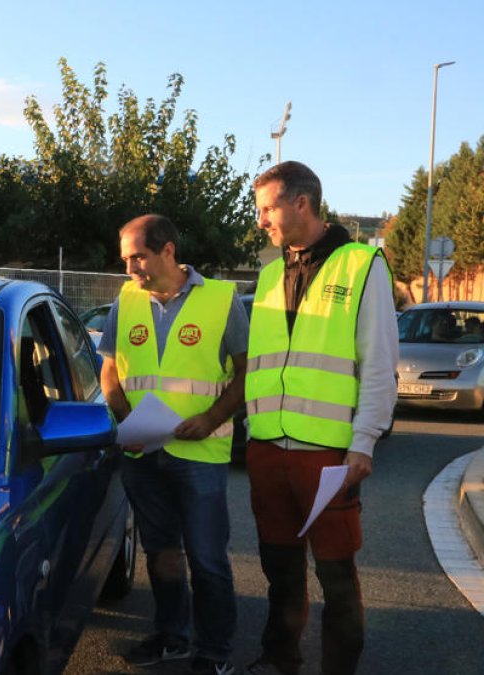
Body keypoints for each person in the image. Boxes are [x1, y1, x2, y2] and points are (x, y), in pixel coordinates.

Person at [244, 161, 398, 675]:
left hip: (329, 455)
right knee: (280, 570)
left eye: (267, 208)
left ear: (301, 203)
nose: (260, 220)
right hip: (267, 448)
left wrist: (365, 441)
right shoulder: (269, 274)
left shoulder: (362, 265)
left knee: (336, 575)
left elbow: (378, 364)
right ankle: (280, 658)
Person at [98, 214, 246, 675]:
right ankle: (172, 637)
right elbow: (110, 373)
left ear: (167, 251)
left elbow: (245, 374)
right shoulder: (126, 300)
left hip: (200, 455)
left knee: (206, 560)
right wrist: (130, 421)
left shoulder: (222, 299)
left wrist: (211, 418)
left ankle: (215, 652)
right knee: (160, 554)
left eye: (137, 257)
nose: (130, 269)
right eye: (125, 259)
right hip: (144, 452)